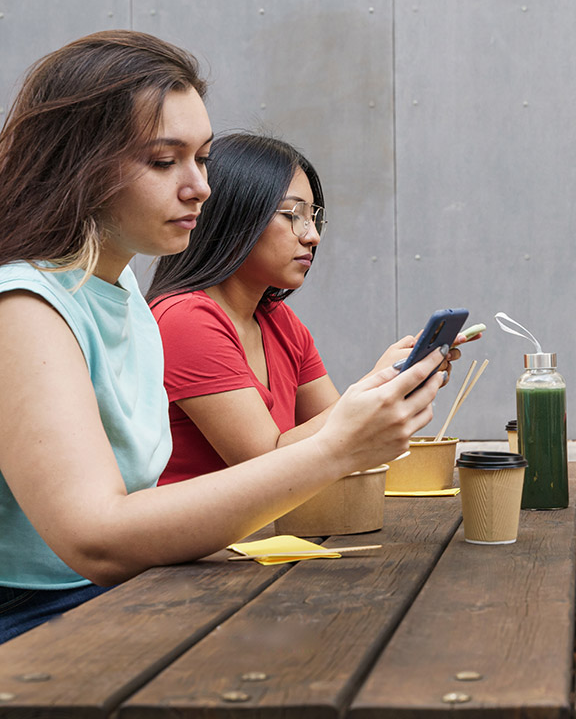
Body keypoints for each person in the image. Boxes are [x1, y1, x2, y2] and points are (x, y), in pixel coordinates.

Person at [0, 31, 446, 643]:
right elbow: (95, 538)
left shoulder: (124, 291)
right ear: (78, 165)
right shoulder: (25, 304)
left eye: (202, 159)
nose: (200, 188)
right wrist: (338, 447)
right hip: (42, 614)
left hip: (137, 586)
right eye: (164, 161)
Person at [146, 134, 466, 484]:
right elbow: (265, 467)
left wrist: (398, 382)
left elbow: (339, 437)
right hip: (202, 538)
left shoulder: (277, 320)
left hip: (265, 532)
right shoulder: (185, 319)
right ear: (235, 216)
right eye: (294, 215)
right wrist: (377, 383)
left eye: (314, 218)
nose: (312, 236)